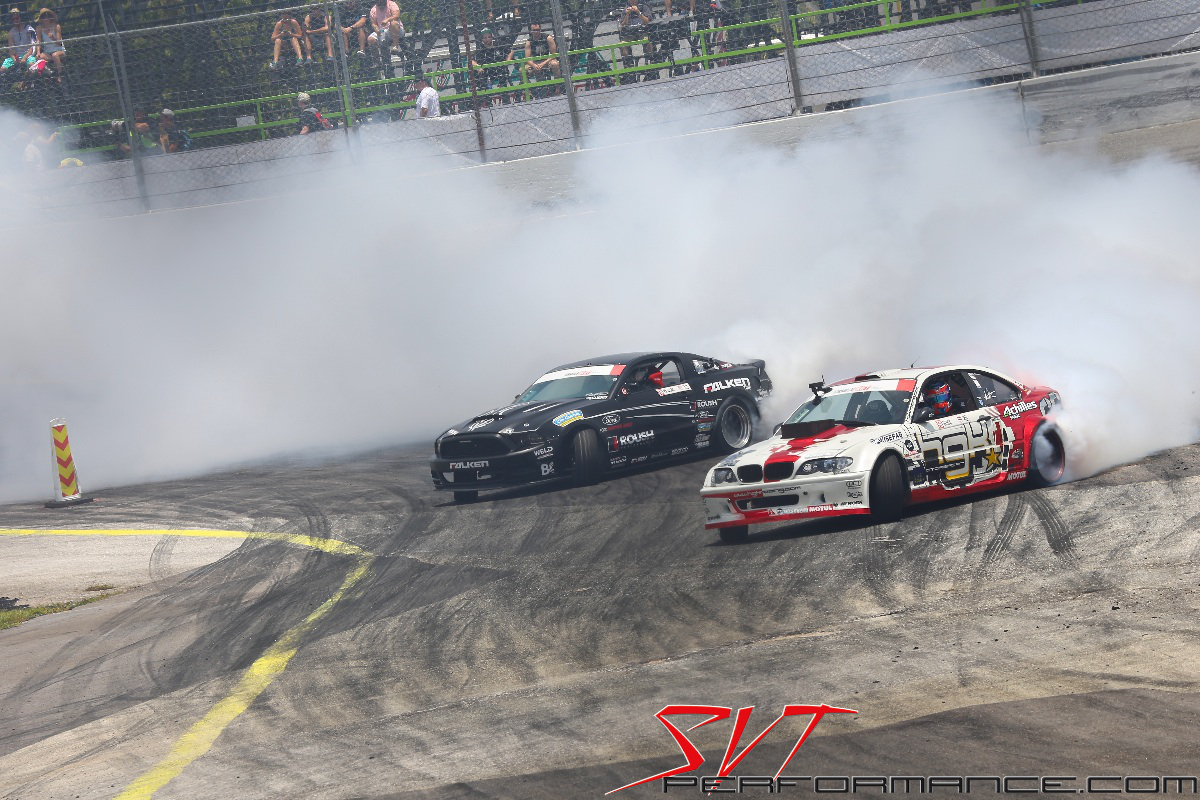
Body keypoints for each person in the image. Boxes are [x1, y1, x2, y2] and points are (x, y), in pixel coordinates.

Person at [469, 28, 512, 102]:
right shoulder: (480, 49)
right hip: (486, 71)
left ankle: (505, 97)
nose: (487, 39)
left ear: (492, 37)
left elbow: (511, 51)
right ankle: (487, 100)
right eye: (485, 38)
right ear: (482, 39)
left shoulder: (498, 44)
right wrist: (478, 67)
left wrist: (508, 60)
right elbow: (472, 60)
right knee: (477, 74)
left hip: (499, 69)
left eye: (489, 37)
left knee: (502, 71)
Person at [618, 0, 653, 73]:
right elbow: (623, 25)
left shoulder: (644, 7)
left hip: (642, 31)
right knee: (622, 45)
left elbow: (647, 21)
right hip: (629, 33)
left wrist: (638, 12)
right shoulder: (625, 9)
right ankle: (628, 65)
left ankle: (650, 62)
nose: (633, 1)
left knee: (649, 41)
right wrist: (627, 14)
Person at [520, 22, 559, 86]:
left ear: (540, 30)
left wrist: (543, 63)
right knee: (522, 70)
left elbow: (553, 54)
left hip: (547, 60)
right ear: (531, 31)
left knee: (555, 64)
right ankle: (530, 90)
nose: (536, 32)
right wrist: (533, 65)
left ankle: (558, 87)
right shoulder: (529, 42)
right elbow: (527, 58)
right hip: (535, 62)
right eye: (534, 30)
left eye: (538, 30)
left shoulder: (548, 38)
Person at [2, 8, 36, 80]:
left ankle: (28, 83)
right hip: (17, 56)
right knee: (2, 69)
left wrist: (25, 57)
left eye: (17, 18)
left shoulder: (29, 29)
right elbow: (11, 49)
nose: (15, 20)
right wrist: (14, 59)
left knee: (31, 65)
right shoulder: (11, 33)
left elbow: (32, 46)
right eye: (13, 19)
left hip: (29, 55)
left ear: (21, 17)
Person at [32, 7, 62, 81]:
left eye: (47, 16)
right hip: (48, 52)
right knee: (38, 58)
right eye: (43, 16)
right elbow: (38, 41)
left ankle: (60, 74)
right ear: (41, 19)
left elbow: (59, 43)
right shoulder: (39, 28)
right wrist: (38, 52)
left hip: (59, 50)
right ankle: (49, 73)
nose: (46, 18)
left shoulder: (56, 26)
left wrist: (53, 38)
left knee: (55, 55)